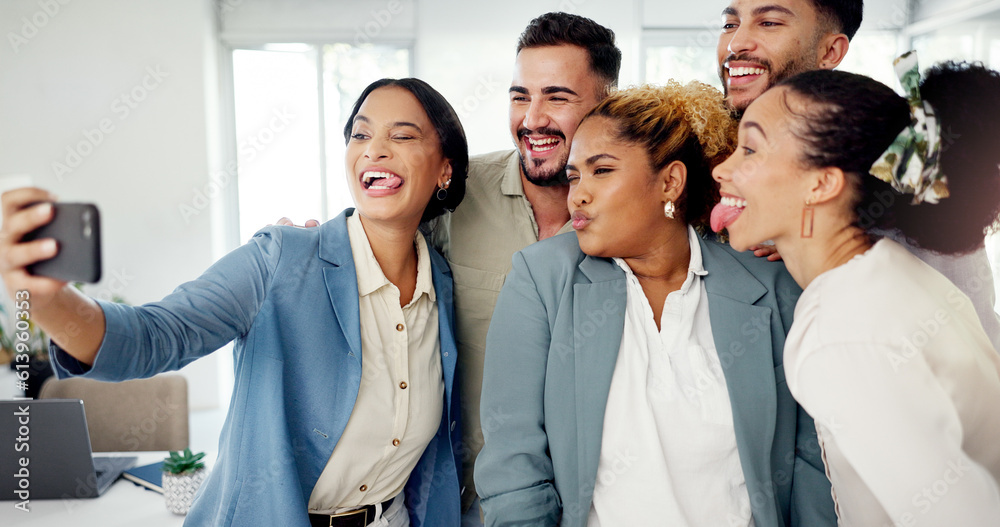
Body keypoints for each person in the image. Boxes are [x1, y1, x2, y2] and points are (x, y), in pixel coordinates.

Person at [0, 78, 467, 527]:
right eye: (360, 133)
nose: (374, 149)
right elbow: (154, 335)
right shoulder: (281, 258)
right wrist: (44, 300)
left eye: (402, 135)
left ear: (445, 169)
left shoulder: (443, 287)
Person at [476, 82, 836, 527]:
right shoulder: (542, 278)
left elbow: (810, 460)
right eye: (574, 176)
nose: (578, 195)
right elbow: (513, 458)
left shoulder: (769, 286)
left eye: (602, 171)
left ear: (670, 182)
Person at [711, 57, 1000, 524]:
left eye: (750, 150)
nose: (722, 170)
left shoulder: (840, 330)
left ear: (822, 183)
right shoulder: (891, 273)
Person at [718, 0, 1000, 349]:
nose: (736, 44)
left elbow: (971, 360)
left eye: (770, 23)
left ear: (831, 50)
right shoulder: (724, 169)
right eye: (730, 25)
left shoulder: (904, 174)